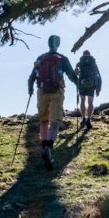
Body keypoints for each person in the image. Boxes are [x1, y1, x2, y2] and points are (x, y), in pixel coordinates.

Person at [28, 35, 78, 170]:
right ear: (58, 44)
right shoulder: (62, 59)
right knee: (55, 121)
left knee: (43, 120)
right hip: (57, 91)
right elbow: (72, 75)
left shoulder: (41, 58)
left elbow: (32, 76)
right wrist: (78, 84)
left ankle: (44, 145)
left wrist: (30, 89)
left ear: (48, 44)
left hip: (42, 91)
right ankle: (49, 147)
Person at [76, 49, 103, 131]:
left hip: (82, 85)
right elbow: (99, 76)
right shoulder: (94, 64)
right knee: (90, 102)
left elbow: (76, 73)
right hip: (91, 86)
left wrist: (77, 82)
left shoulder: (80, 63)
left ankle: (83, 119)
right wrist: (98, 89)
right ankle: (88, 119)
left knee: (82, 101)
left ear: (83, 55)